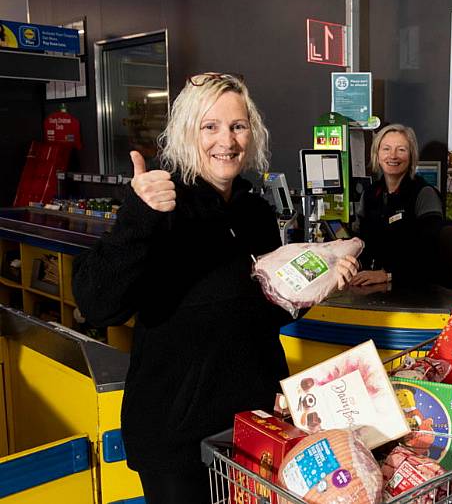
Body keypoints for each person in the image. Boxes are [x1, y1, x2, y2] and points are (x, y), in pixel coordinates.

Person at [72, 72, 358, 503]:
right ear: (188, 132)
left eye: (237, 126)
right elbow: (97, 304)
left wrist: (308, 293)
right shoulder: (161, 206)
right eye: (211, 126)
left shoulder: (255, 213)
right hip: (177, 436)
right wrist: (137, 217)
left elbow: (257, 312)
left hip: (253, 428)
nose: (226, 140)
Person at [350, 123, 444, 287]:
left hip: (414, 287)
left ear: (411, 156)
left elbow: (429, 251)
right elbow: (360, 240)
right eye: (386, 149)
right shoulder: (370, 194)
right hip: (371, 283)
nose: (393, 156)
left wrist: (387, 274)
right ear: (377, 154)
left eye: (401, 149)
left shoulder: (424, 194)